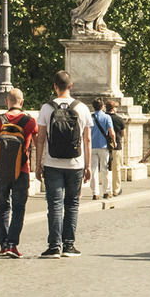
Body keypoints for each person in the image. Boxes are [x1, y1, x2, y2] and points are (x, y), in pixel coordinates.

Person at [35, 71, 91, 258]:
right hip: (76, 163)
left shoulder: (46, 108)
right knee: (72, 204)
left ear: (55, 87)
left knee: (55, 204)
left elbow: (40, 138)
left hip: (53, 163)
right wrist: (88, 165)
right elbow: (87, 140)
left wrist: (38, 163)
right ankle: (69, 245)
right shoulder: (82, 108)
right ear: (71, 86)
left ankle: (54, 246)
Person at [0, 87, 37, 258]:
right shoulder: (29, 121)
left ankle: (3, 245)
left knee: (3, 207)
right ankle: (12, 244)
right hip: (21, 169)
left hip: (1, 170)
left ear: (6, 102)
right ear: (22, 102)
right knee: (19, 207)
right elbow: (35, 140)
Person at [88, 103, 119, 202]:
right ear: (102, 106)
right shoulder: (106, 117)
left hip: (92, 146)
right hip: (103, 146)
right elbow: (111, 132)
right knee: (105, 169)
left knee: (93, 170)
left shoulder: (90, 117)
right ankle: (106, 191)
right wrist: (114, 142)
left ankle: (95, 193)